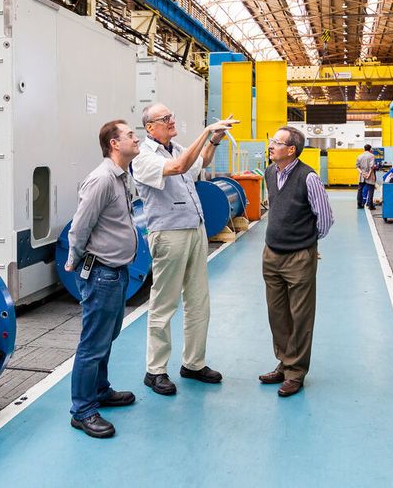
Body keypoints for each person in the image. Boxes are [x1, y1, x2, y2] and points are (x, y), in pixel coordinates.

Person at [131, 102, 238, 395]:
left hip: (194, 230)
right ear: (150, 127)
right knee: (164, 303)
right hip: (168, 233)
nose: (171, 120)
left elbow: (196, 164)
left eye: (171, 116)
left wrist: (214, 139)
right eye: (165, 118)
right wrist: (205, 131)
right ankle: (155, 370)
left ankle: (193, 362)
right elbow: (177, 169)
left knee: (198, 300)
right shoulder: (143, 157)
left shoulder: (176, 148)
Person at [65, 119, 141, 438]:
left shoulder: (121, 177)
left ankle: (100, 390)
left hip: (117, 271)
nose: (136, 139)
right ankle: (82, 410)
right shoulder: (101, 180)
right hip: (101, 273)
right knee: (93, 342)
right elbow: (81, 226)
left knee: (107, 337)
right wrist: (72, 259)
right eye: (130, 135)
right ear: (113, 143)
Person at [259, 126, 333, 397]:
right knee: (277, 314)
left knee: (300, 316)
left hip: (299, 256)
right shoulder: (269, 173)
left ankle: (296, 371)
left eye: (276, 142)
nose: (271, 146)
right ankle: (284, 361)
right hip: (271, 254)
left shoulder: (308, 177)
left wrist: (308, 245)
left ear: (291, 149)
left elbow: (325, 218)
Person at [356, 144, 376, 210]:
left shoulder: (359, 156)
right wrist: (368, 175)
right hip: (369, 175)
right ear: (370, 149)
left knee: (360, 189)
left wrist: (362, 173)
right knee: (371, 189)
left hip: (362, 175)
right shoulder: (372, 156)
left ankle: (359, 204)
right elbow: (372, 166)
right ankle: (370, 205)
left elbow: (357, 167)